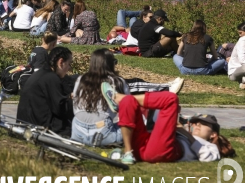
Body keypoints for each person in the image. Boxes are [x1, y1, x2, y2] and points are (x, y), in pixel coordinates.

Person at [101, 83, 234, 164]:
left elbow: (206, 157)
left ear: (213, 134)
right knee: (130, 104)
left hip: (163, 151)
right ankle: (128, 152)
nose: (197, 125)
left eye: (204, 124)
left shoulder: (211, 147)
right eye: (196, 122)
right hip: (142, 148)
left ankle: (120, 98)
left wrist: (184, 133)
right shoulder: (187, 134)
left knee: (171, 99)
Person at [71, 49, 129, 147]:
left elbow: (75, 101)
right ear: (110, 64)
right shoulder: (117, 81)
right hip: (103, 130)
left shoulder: (81, 79)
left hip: (78, 131)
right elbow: (128, 106)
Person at [16, 47, 74, 137]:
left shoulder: (41, 73)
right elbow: (60, 109)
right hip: (37, 127)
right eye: (69, 64)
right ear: (61, 62)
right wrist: (71, 99)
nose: (69, 68)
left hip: (24, 124)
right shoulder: (51, 78)